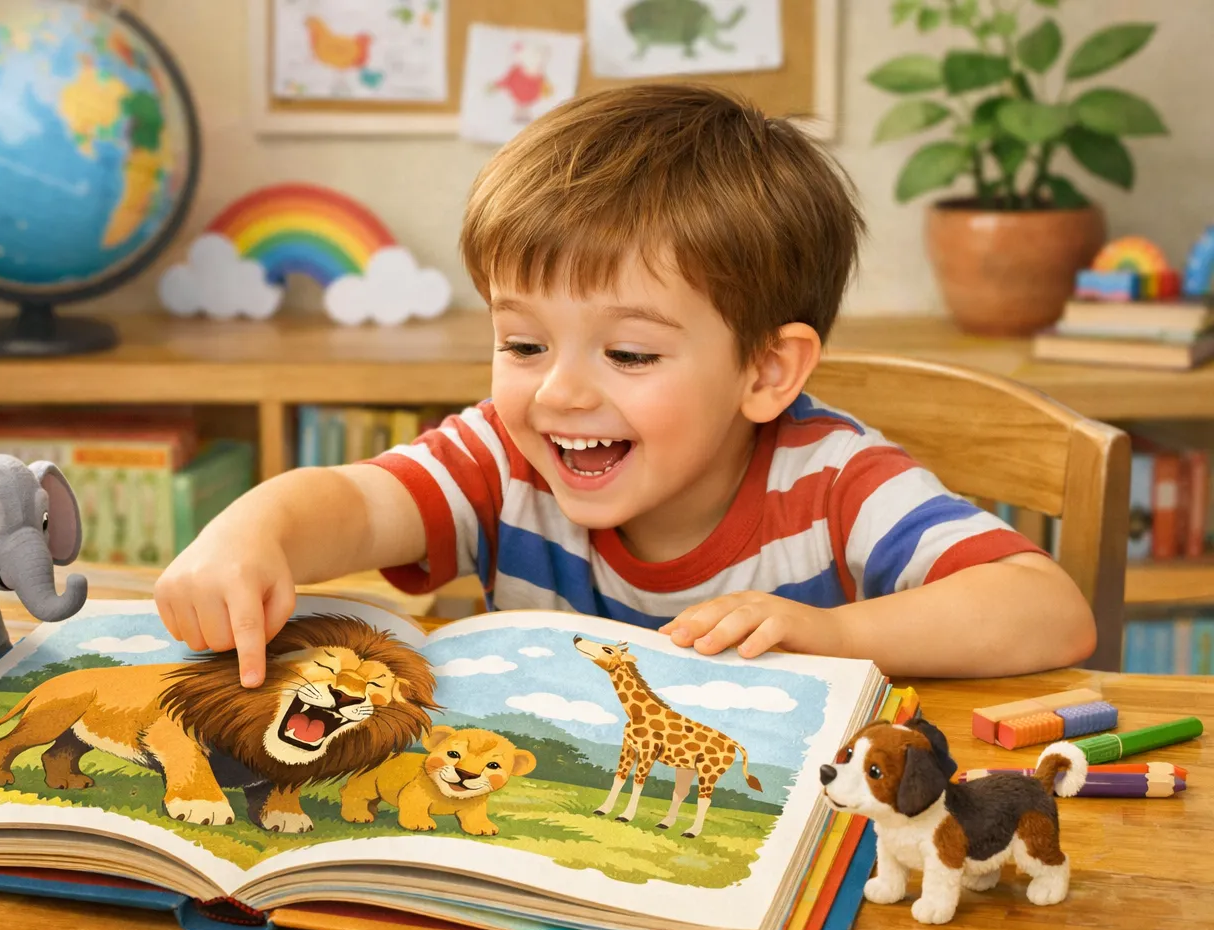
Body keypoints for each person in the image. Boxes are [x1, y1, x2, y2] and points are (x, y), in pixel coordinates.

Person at [154, 83, 1097, 687]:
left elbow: (1046, 610)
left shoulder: (833, 482)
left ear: (766, 371)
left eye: (630, 355)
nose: (559, 394)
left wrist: (832, 634)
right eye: (523, 343)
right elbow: (356, 506)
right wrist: (252, 531)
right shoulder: (502, 457)